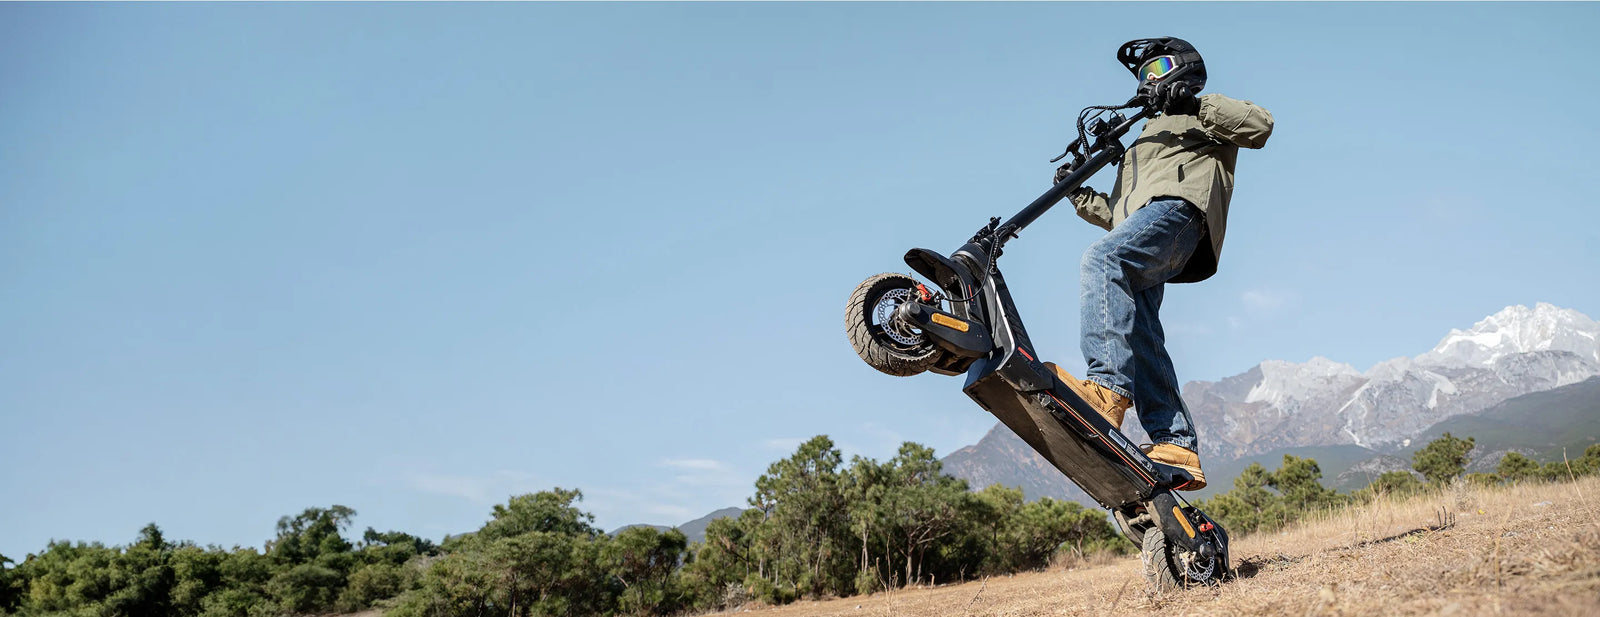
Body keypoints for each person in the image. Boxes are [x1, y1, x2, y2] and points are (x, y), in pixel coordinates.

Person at [1053, 37, 1273, 490]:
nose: (1149, 81)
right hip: (1152, 226)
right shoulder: (1141, 141)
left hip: (1181, 212)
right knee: (1139, 328)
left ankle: (1106, 389)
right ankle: (1175, 441)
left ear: (1185, 69)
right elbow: (1122, 216)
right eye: (1144, 76)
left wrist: (1194, 104)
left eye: (1158, 70)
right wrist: (1078, 195)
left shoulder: (1202, 112)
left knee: (1102, 259)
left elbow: (1260, 126)